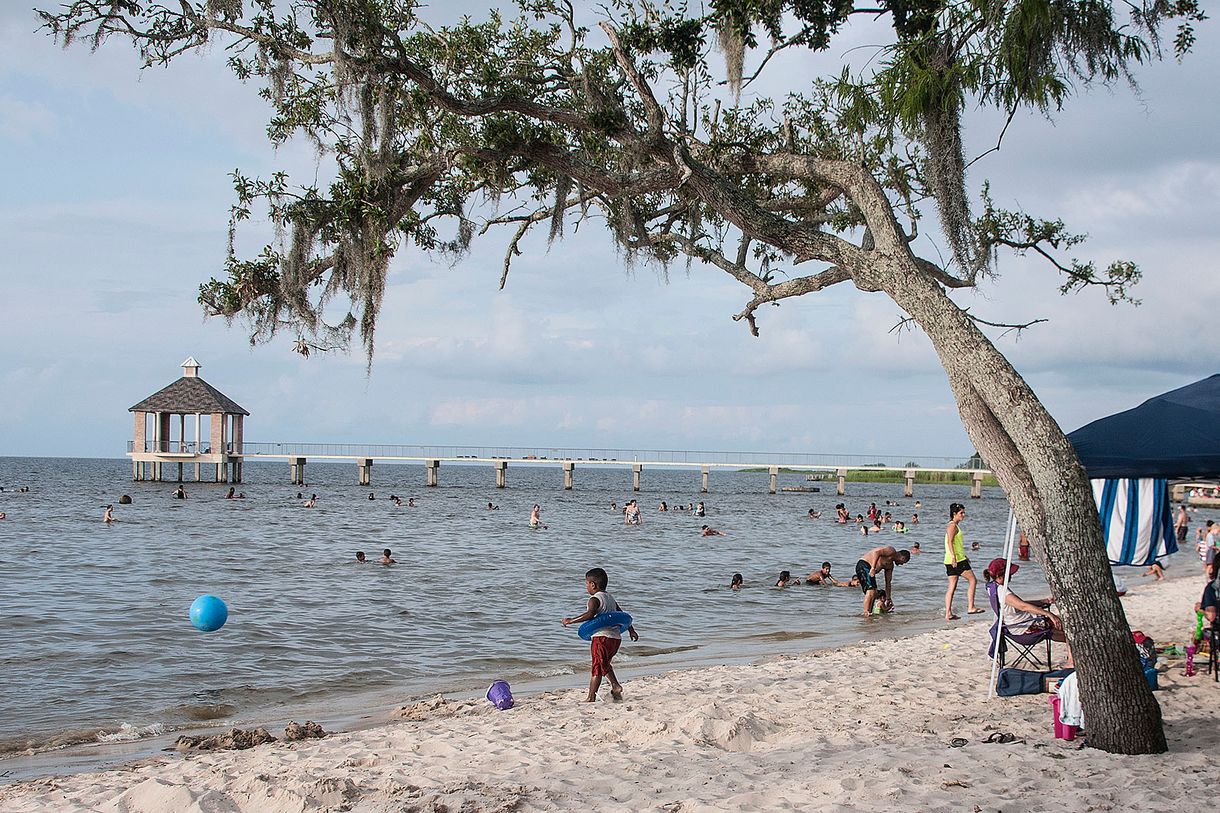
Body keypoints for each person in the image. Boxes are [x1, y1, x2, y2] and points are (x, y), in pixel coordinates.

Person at [561, 567, 638, 702]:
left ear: (593, 585)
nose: (586, 587)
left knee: (597, 666)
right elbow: (622, 615)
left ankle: (591, 697)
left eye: (586, 584)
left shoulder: (594, 600)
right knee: (604, 664)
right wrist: (631, 630)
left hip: (601, 637)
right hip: (615, 639)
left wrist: (570, 621)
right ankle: (615, 686)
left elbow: (590, 614)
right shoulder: (611, 598)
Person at [985, 557, 1069, 662]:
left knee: (1063, 625)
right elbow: (1022, 606)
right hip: (1023, 629)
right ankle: (1072, 658)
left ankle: (1073, 654)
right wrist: (1049, 614)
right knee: (1066, 626)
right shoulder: (1002, 591)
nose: (1011, 575)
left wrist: (1043, 601)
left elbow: (1020, 604)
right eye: (1009, 573)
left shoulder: (993, 587)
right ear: (999, 575)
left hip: (1016, 625)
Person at [943, 503, 982, 620]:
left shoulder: (954, 526)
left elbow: (955, 543)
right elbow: (949, 542)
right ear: (954, 514)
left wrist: (964, 555)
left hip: (951, 559)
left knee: (952, 587)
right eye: (961, 513)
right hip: (956, 560)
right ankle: (971, 607)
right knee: (973, 580)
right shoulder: (952, 526)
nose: (963, 515)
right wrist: (955, 557)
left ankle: (948, 613)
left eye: (964, 512)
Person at [855, 546, 910, 615]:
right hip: (864, 564)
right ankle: (866, 612)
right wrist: (873, 568)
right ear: (903, 557)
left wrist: (888, 598)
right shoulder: (891, 550)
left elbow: (888, 583)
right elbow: (876, 552)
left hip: (870, 570)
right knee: (871, 590)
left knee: (875, 593)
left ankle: (870, 612)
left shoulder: (890, 566)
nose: (901, 564)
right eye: (903, 562)